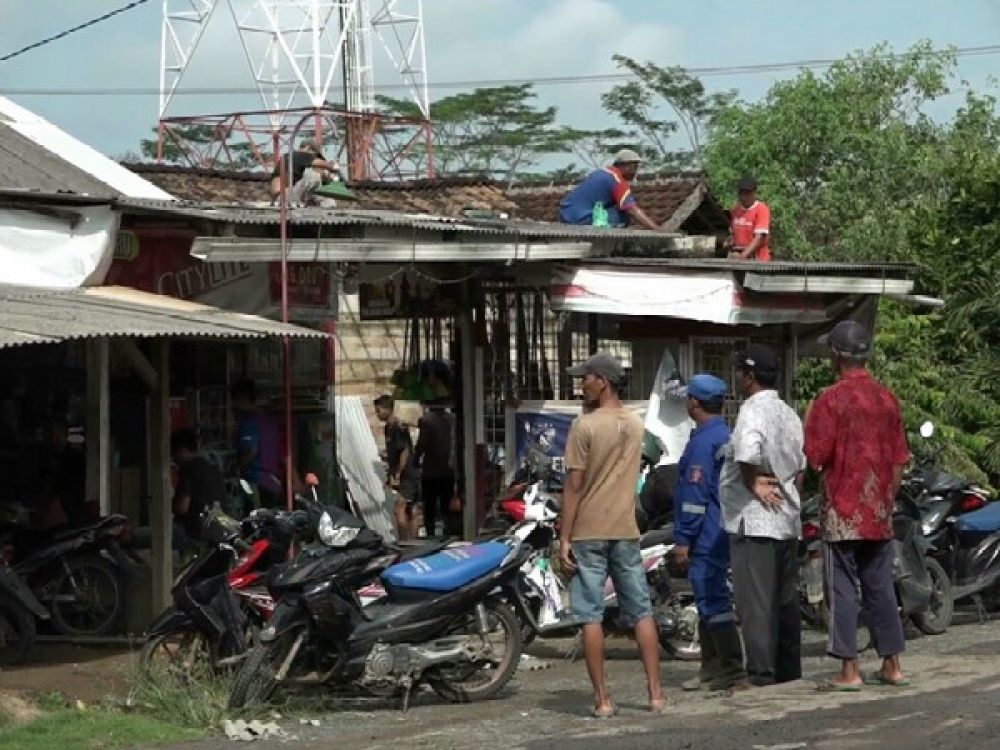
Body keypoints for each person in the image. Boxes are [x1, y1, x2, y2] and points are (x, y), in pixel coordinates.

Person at [804, 320, 911, 690]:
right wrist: (886, 499)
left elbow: (816, 456)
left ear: (836, 355)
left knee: (844, 589)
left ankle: (849, 670)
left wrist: (807, 422)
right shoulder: (887, 399)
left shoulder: (830, 400)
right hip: (878, 511)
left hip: (843, 514)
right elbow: (899, 459)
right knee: (881, 586)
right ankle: (892, 664)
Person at [559, 352, 667, 717]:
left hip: (589, 531)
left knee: (591, 615)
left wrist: (564, 538)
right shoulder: (635, 425)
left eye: (585, 378)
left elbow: (573, 487)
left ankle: (603, 700)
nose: (581, 385)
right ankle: (655, 694)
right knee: (641, 611)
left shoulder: (584, 426)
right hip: (626, 529)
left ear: (602, 381)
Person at [720, 344, 806, 688]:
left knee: (756, 603)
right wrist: (787, 493)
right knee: (784, 601)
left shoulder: (751, 411)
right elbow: (801, 465)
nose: (738, 378)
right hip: (786, 519)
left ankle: (760, 673)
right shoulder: (788, 412)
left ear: (749, 376)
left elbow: (746, 451)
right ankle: (787, 669)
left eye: (740, 372)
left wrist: (753, 482)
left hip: (755, 520)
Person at [673, 373, 746, 692]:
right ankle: (711, 668)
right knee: (707, 597)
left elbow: (695, 495)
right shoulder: (723, 434)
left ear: (694, 402)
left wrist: (683, 539)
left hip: (706, 533)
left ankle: (729, 666)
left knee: (711, 596)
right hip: (721, 526)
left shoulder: (704, 441)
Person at [559, 149, 662, 230]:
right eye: (633, 168)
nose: (635, 172)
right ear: (624, 166)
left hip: (565, 216)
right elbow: (632, 209)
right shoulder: (617, 180)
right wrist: (657, 230)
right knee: (623, 216)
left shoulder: (599, 173)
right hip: (582, 219)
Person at [231, 379, 283, 509]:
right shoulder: (269, 421)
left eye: (234, 400)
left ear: (242, 399)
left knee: (253, 523)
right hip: (273, 482)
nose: (233, 405)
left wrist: (235, 469)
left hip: (255, 483)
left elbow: (250, 451)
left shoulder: (248, 421)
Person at [172, 429, 226, 550]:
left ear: (181, 450)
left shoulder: (187, 467)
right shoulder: (214, 468)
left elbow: (181, 508)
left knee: (137, 537)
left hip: (195, 535)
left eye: (173, 454)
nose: (173, 459)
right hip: (219, 532)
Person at [374, 395, 419, 540]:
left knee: (399, 509)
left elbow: (404, 451)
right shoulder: (389, 428)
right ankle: (411, 542)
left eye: (379, 410)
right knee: (411, 510)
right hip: (404, 473)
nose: (377, 414)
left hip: (408, 474)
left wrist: (398, 474)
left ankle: (404, 542)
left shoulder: (396, 427)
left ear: (387, 409)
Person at [413, 405, 459, 537]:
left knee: (429, 505)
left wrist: (416, 459)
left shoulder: (426, 420)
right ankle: (448, 531)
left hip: (431, 470)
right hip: (448, 470)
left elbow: (422, 443)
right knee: (446, 504)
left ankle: (431, 533)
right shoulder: (452, 419)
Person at [268, 141, 337, 205]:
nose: (314, 157)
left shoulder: (290, 157)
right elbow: (324, 165)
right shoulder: (302, 155)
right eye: (315, 154)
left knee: (326, 197)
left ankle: (328, 207)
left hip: (279, 196)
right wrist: (333, 168)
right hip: (285, 195)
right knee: (313, 175)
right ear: (308, 148)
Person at [727, 175, 772, 261]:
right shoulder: (735, 210)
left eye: (747, 193)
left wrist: (742, 256)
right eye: (741, 193)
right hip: (738, 261)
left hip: (758, 261)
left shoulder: (761, 209)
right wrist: (730, 241)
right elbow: (734, 234)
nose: (744, 197)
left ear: (754, 192)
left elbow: (759, 238)